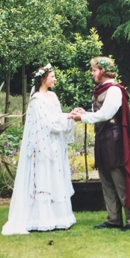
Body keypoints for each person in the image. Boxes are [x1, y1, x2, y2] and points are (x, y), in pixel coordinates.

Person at [2, 63, 76, 235]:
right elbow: (45, 123)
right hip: (43, 146)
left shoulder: (53, 96)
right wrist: (66, 118)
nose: (55, 79)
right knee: (44, 177)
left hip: (55, 143)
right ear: (43, 79)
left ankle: (61, 217)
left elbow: (56, 116)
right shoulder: (36, 100)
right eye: (52, 76)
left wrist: (69, 116)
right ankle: (42, 218)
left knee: (56, 176)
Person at [71, 56, 130, 231]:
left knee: (120, 180)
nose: (92, 73)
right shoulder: (100, 90)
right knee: (106, 180)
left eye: (94, 70)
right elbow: (100, 113)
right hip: (103, 138)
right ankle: (113, 220)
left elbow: (106, 114)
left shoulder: (114, 90)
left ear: (102, 71)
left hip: (115, 140)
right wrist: (85, 112)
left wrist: (83, 117)